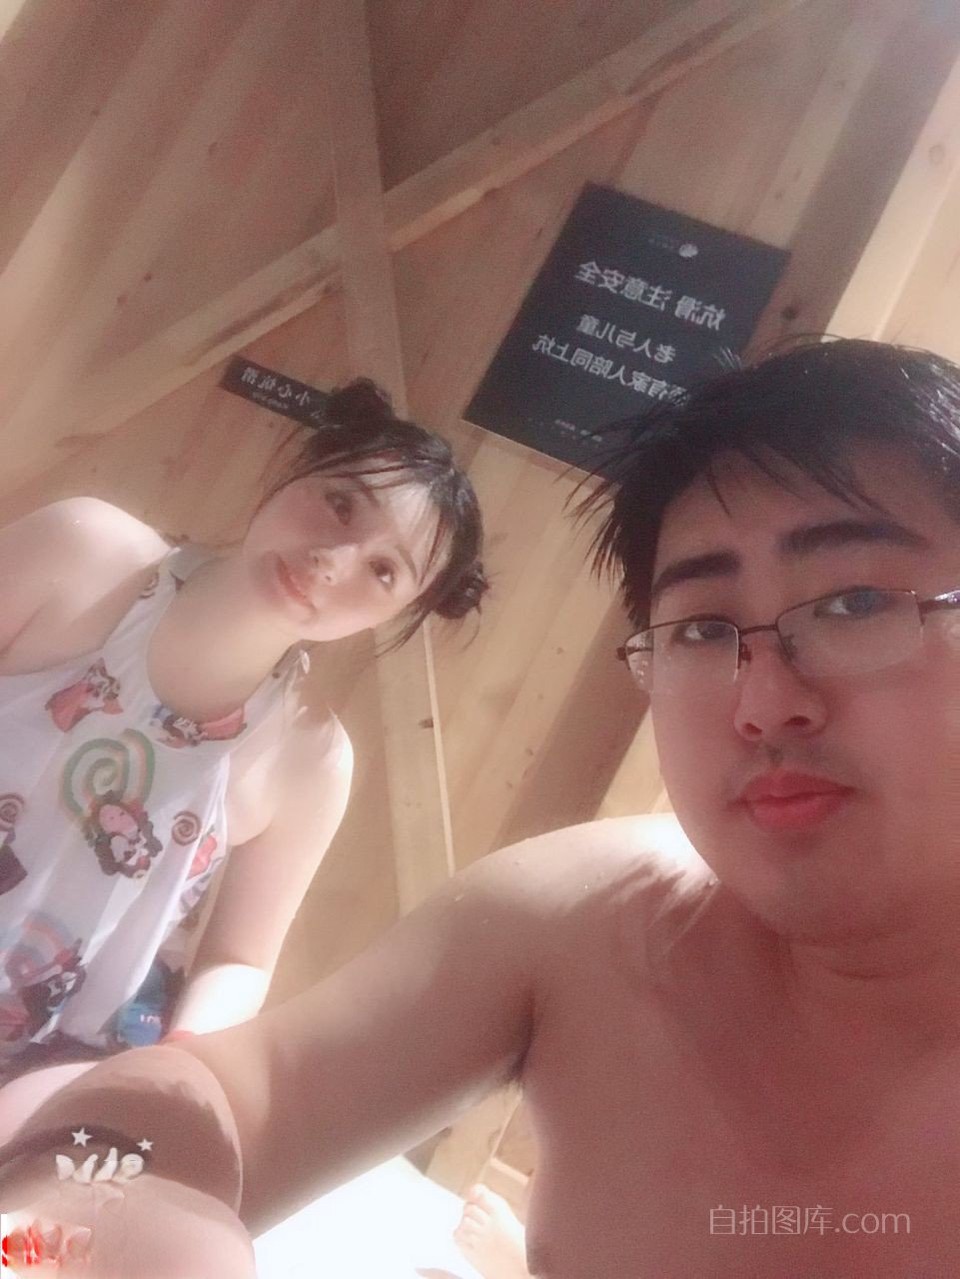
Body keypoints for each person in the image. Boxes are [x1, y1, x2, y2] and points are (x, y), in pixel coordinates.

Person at [4, 337, 959, 1276]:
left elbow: (238, 962)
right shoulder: (585, 913)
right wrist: (96, 1193)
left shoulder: (310, 757)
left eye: (857, 602)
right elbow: (224, 1094)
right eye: (704, 628)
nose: (762, 703)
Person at [0, 376, 487, 1100]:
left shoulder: (312, 761)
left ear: (395, 613)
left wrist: (179, 1063)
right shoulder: (82, 550)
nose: (335, 559)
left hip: (42, 1068)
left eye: (384, 570)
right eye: (342, 503)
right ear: (299, 468)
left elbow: (239, 960)